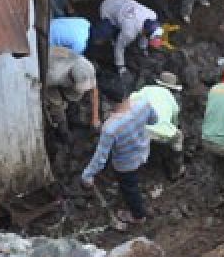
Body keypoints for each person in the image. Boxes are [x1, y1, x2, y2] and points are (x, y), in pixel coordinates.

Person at [80, 78, 159, 228]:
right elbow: (154, 120)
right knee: (135, 180)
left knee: (129, 188)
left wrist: (87, 174)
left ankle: (138, 216)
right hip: (143, 151)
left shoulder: (110, 128)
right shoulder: (143, 104)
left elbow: (101, 159)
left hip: (125, 164)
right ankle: (139, 202)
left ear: (108, 100)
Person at [44, 44, 100, 141]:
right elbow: (45, 88)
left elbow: (94, 91)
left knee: (75, 98)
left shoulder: (87, 67)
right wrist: (57, 109)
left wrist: (95, 118)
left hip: (60, 54)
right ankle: (63, 130)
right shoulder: (54, 76)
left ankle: (69, 111)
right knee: (56, 104)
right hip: (48, 66)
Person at [99, 0, 164, 74]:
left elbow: (146, 34)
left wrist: (143, 48)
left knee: (129, 28)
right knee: (112, 36)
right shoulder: (129, 32)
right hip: (107, 9)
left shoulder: (152, 15)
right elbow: (119, 47)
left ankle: (141, 47)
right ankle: (111, 39)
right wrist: (120, 66)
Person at [133, 72, 185, 158]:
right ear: (173, 88)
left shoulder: (146, 89)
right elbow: (175, 122)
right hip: (160, 135)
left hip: (139, 129)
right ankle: (176, 167)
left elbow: (131, 100)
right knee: (178, 137)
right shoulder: (172, 100)